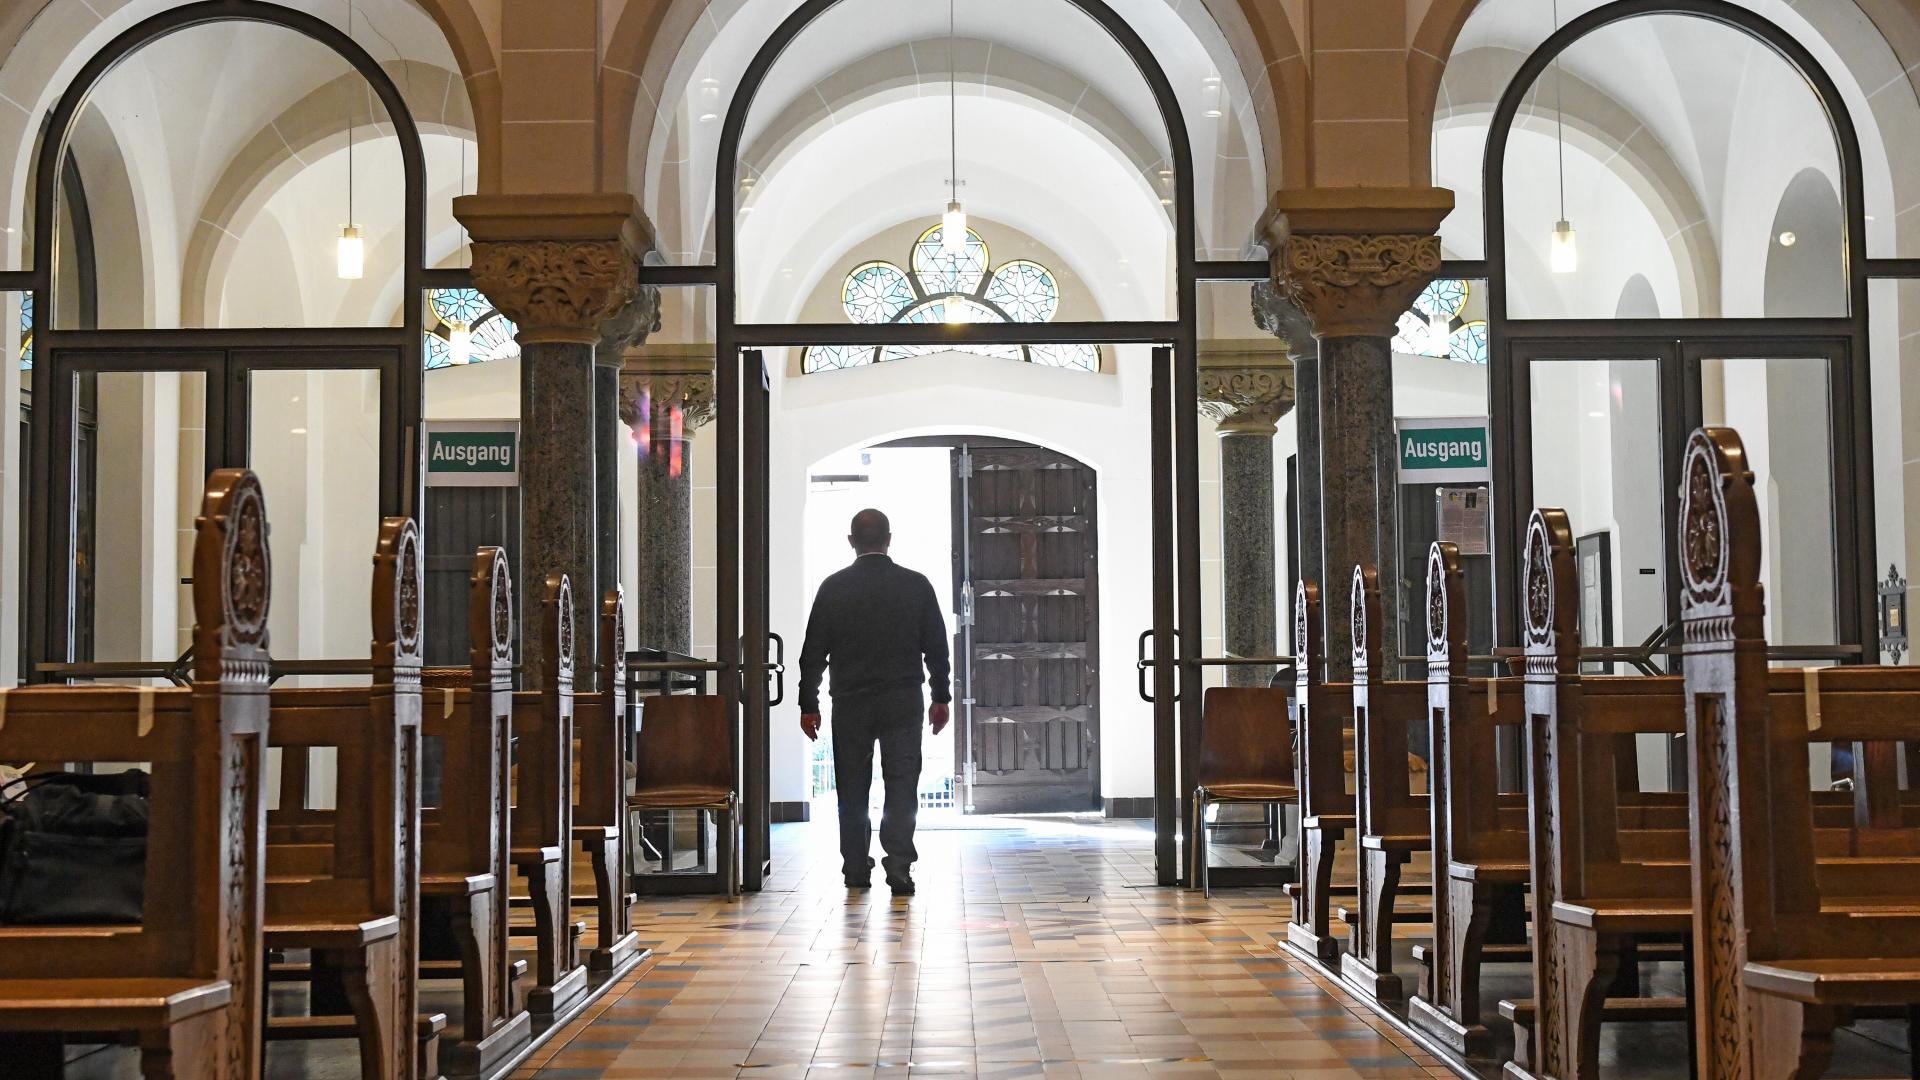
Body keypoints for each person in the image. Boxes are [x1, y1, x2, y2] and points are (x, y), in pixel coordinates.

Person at [798, 508, 952, 894]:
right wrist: (940, 696)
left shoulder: (833, 588)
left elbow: (813, 652)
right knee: (902, 785)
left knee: (851, 786)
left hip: (851, 702)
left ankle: (855, 867)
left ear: (851, 542)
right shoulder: (916, 585)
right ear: (889, 539)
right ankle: (899, 867)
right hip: (902, 701)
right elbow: (936, 646)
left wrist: (808, 704)